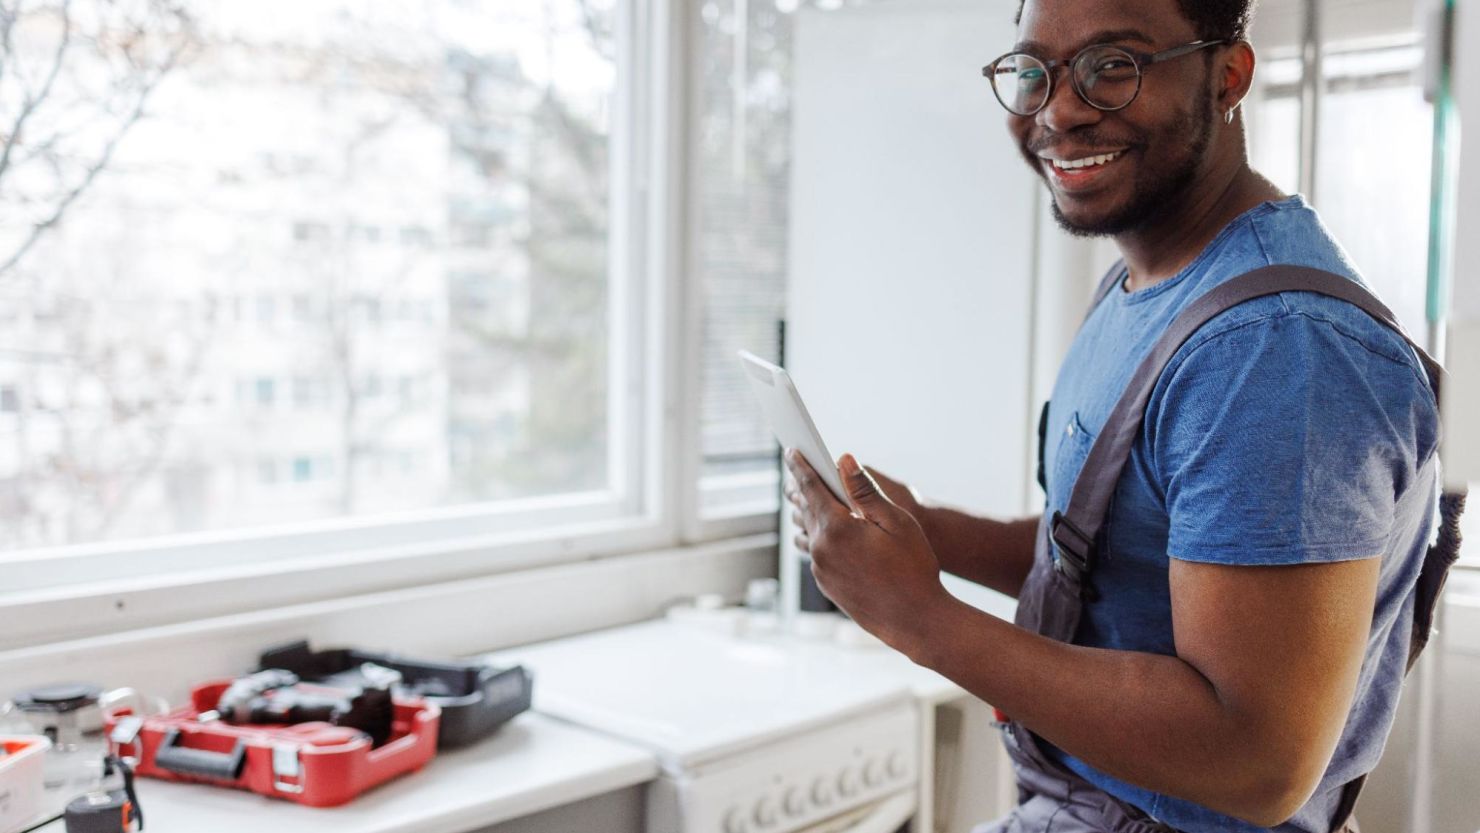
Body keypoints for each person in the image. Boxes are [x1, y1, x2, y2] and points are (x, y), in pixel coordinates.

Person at [782, 1, 1445, 832]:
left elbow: (1257, 761)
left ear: (1227, 75)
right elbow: (1118, 557)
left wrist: (919, 615)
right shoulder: (1149, 285)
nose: (1059, 110)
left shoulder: (1275, 347)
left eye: (1113, 65)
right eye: (1034, 73)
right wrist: (927, 533)